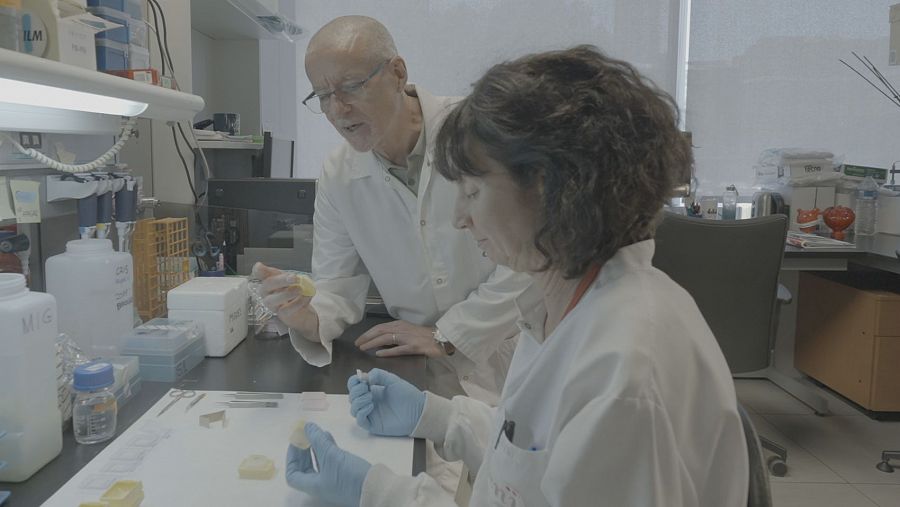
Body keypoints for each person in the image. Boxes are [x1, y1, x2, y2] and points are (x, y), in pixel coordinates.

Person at [284, 45, 750, 506]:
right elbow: (532, 455)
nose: (462, 219)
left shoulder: (621, 374)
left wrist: (379, 494)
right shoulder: (565, 309)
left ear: (554, 188)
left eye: (471, 190)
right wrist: (439, 420)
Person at [254, 15, 530, 403]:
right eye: (322, 95)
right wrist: (309, 318)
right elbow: (336, 285)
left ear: (398, 73)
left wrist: (450, 334)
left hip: (514, 356)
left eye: (351, 86)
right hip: (423, 370)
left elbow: (532, 255)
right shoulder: (338, 174)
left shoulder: (481, 132)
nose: (338, 109)